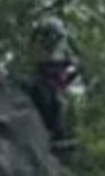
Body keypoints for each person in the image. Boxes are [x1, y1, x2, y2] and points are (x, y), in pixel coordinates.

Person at [27, 17, 81, 153]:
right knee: (50, 99)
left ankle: (58, 137)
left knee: (60, 104)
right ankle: (52, 135)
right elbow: (45, 65)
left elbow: (62, 80)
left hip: (54, 90)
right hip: (42, 89)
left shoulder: (58, 55)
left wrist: (73, 70)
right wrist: (67, 64)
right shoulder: (41, 49)